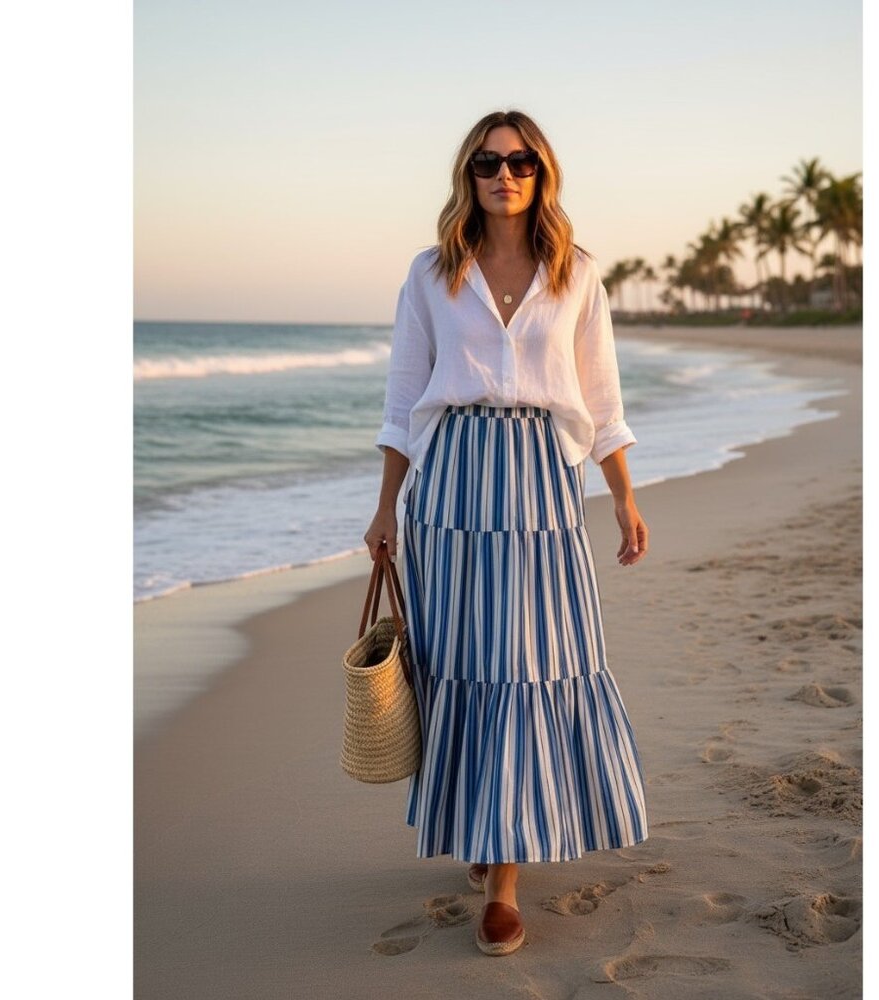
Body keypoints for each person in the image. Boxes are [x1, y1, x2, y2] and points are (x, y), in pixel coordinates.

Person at [364, 109, 650, 957]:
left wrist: (625, 498)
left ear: (541, 173)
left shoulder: (577, 273)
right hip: (452, 482)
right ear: (469, 175)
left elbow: (601, 399)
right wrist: (385, 509)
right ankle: (488, 832)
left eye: (521, 162)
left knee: (529, 662)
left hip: (540, 485)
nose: (504, 175)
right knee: (464, 662)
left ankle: (505, 882)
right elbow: (402, 400)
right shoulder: (430, 274)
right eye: (488, 163)